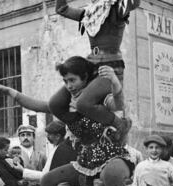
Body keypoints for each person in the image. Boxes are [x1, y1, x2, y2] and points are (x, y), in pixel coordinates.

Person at [0, 57, 134, 186]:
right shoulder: (66, 105)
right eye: (65, 81)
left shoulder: (98, 98)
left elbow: (117, 105)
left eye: (73, 80)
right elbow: (38, 105)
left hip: (112, 156)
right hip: (86, 161)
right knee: (48, 181)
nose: (69, 85)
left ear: (85, 77)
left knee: (110, 175)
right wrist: (9, 91)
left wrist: (114, 81)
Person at [51, 0, 140, 141]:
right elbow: (62, 9)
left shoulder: (116, 9)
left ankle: (120, 124)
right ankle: (82, 130)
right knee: (55, 104)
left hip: (110, 68)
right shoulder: (89, 13)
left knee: (82, 103)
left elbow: (134, 3)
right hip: (91, 66)